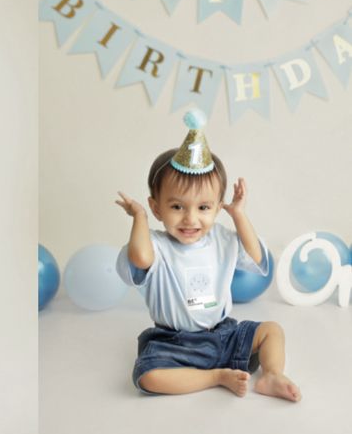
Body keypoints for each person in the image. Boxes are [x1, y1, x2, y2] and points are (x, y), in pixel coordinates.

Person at [115, 110, 300, 402]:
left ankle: (272, 375)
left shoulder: (221, 240)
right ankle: (215, 376)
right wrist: (138, 217)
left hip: (223, 334)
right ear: (157, 207)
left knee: (271, 330)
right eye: (177, 207)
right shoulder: (156, 246)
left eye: (203, 207)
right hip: (175, 342)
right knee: (148, 377)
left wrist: (238, 215)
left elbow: (256, 258)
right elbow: (138, 259)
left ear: (216, 208)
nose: (191, 218)